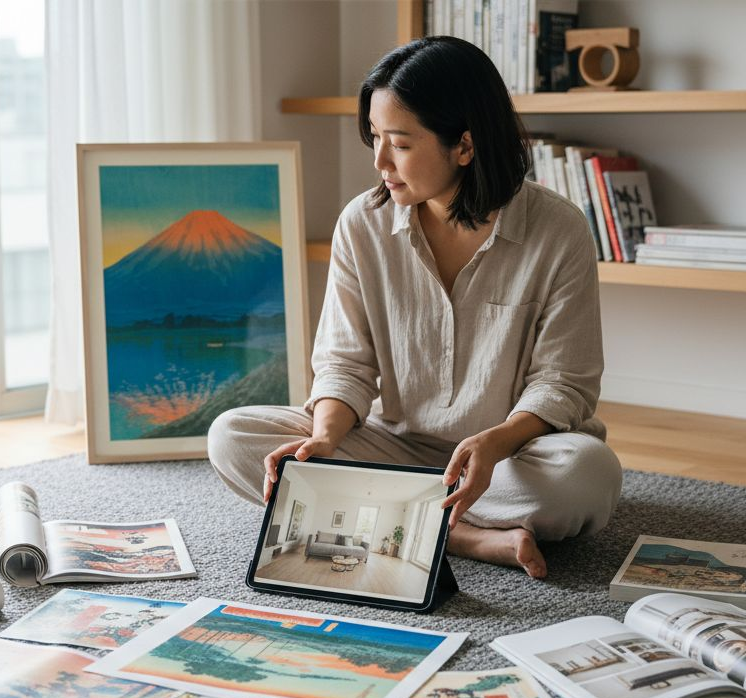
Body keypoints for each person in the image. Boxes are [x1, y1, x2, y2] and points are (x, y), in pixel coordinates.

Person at [207, 36, 621, 579]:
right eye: (375, 138)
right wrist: (326, 439)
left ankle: (388, 519)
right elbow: (345, 363)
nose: (379, 160)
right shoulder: (362, 224)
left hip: (505, 461)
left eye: (398, 143)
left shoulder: (558, 229)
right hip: (388, 445)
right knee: (233, 436)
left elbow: (564, 381)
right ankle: (463, 536)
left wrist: (495, 443)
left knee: (587, 475)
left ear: (464, 146)